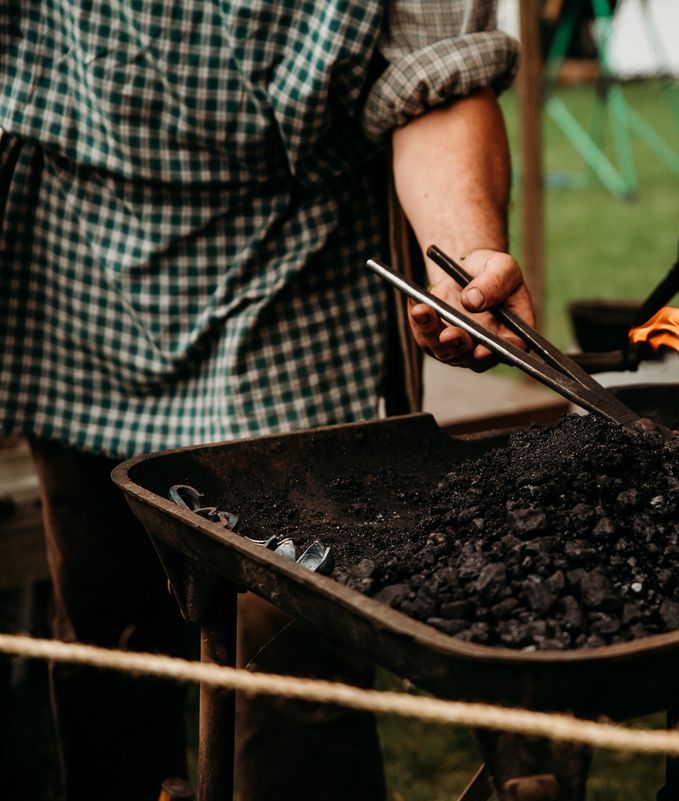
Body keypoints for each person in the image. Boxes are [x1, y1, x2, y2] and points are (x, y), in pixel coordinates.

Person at [0, 1, 533, 798]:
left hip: (298, 260)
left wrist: (466, 257)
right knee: (108, 633)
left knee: (297, 664)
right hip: (84, 251)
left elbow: (436, 77)